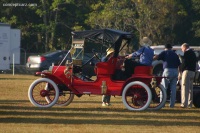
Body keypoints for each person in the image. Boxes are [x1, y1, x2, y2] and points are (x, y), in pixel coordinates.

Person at [154, 44, 181, 108]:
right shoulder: (175, 54)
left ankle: (162, 104)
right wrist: (180, 73)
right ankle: (172, 105)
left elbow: (156, 58)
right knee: (173, 89)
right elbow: (179, 64)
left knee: (164, 88)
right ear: (171, 48)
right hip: (175, 71)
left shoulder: (165, 52)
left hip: (167, 70)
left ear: (165, 48)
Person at [179, 43, 197, 108]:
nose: (182, 50)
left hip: (187, 71)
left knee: (184, 87)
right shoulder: (193, 53)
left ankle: (184, 104)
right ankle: (190, 103)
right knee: (190, 88)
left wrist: (181, 69)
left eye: (182, 49)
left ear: (184, 47)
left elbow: (184, 63)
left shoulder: (187, 53)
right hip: (192, 72)